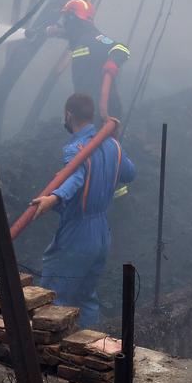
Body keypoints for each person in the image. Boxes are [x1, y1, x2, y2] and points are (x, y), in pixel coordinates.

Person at [29, 92, 136, 327]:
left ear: (68, 115)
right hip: (101, 235)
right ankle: (87, 350)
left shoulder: (76, 148)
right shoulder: (112, 145)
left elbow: (75, 178)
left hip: (77, 235)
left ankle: (44, 358)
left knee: (52, 299)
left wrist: (53, 198)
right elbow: (129, 173)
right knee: (85, 298)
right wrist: (117, 144)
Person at [36, 0, 130, 120]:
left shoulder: (93, 38)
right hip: (88, 110)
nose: (64, 22)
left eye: (66, 18)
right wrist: (47, 31)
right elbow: (68, 34)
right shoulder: (79, 39)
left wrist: (112, 63)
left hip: (103, 111)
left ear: (73, 18)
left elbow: (121, 48)